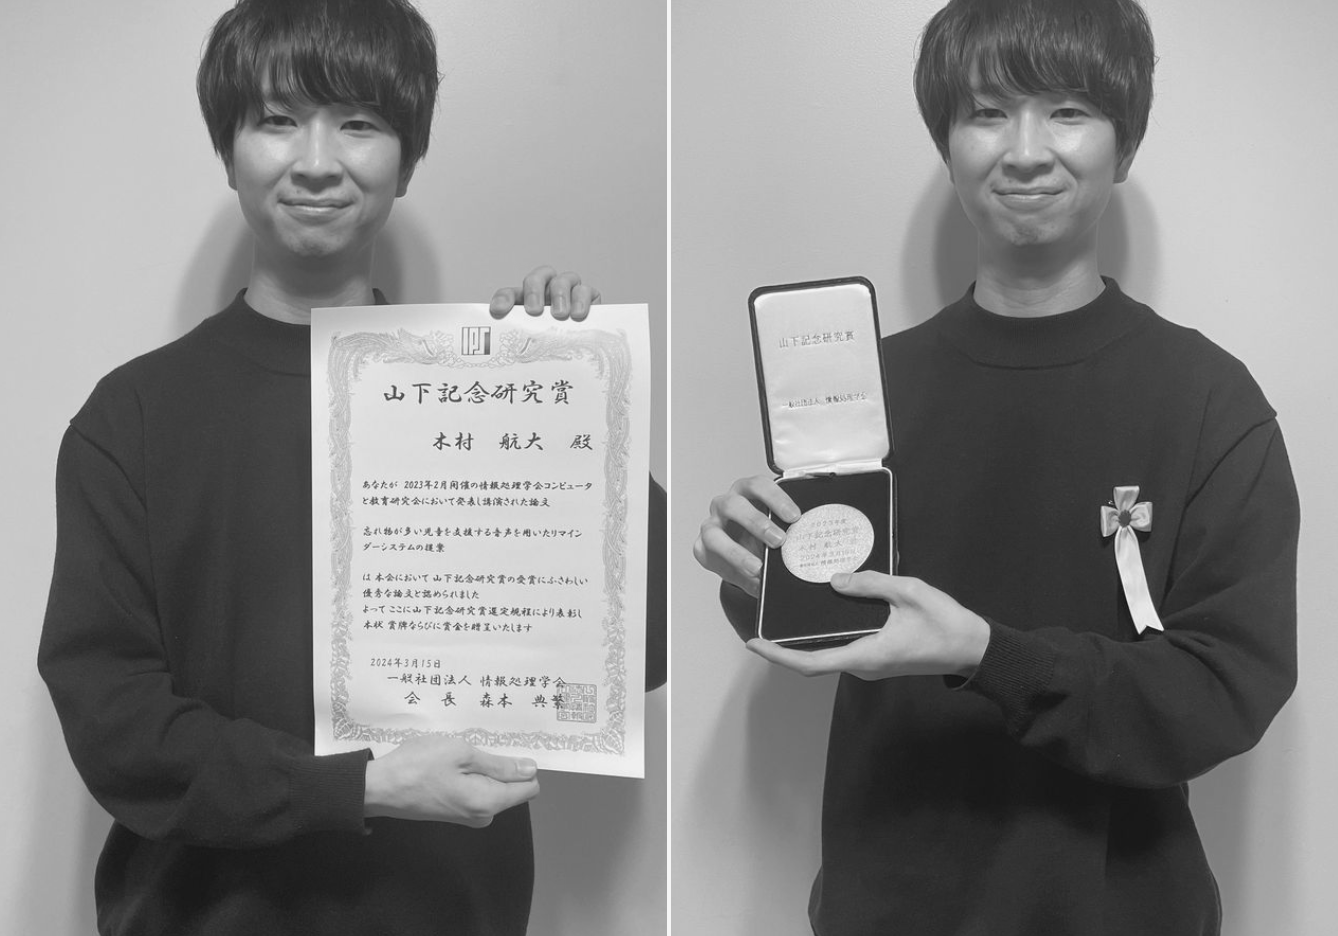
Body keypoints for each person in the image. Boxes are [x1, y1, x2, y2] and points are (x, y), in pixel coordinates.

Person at [37, 1, 664, 934]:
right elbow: (113, 720)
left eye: (359, 123)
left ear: (406, 162)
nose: (317, 161)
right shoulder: (130, 418)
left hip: (448, 914)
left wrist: (576, 393)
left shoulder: (488, 390)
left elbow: (641, 645)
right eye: (277, 119)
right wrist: (360, 786)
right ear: (229, 151)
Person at [694, 0, 1297, 933]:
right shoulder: (870, 386)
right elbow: (829, 610)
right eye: (986, 113)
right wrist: (756, 566)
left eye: (1068, 111)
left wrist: (986, 655)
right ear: (948, 146)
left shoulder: (1209, 399)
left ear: (1125, 145)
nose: (1024, 152)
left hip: (1121, 907)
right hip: (887, 903)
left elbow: (1225, 690)